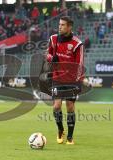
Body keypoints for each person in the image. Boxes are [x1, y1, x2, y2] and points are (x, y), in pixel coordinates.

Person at [46, 16, 84, 145]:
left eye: (63, 25)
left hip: (71, 80)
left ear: (69, 27)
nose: (60, 26)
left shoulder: (77, 43)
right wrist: (52, 58)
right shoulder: (53, 39)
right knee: (56, 106)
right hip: (57, 77)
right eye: (59, 24)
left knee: (70, 107)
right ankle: (60, 129)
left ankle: (70, 136)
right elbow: (47, 54)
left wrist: (78, 81)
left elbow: (80, 64)